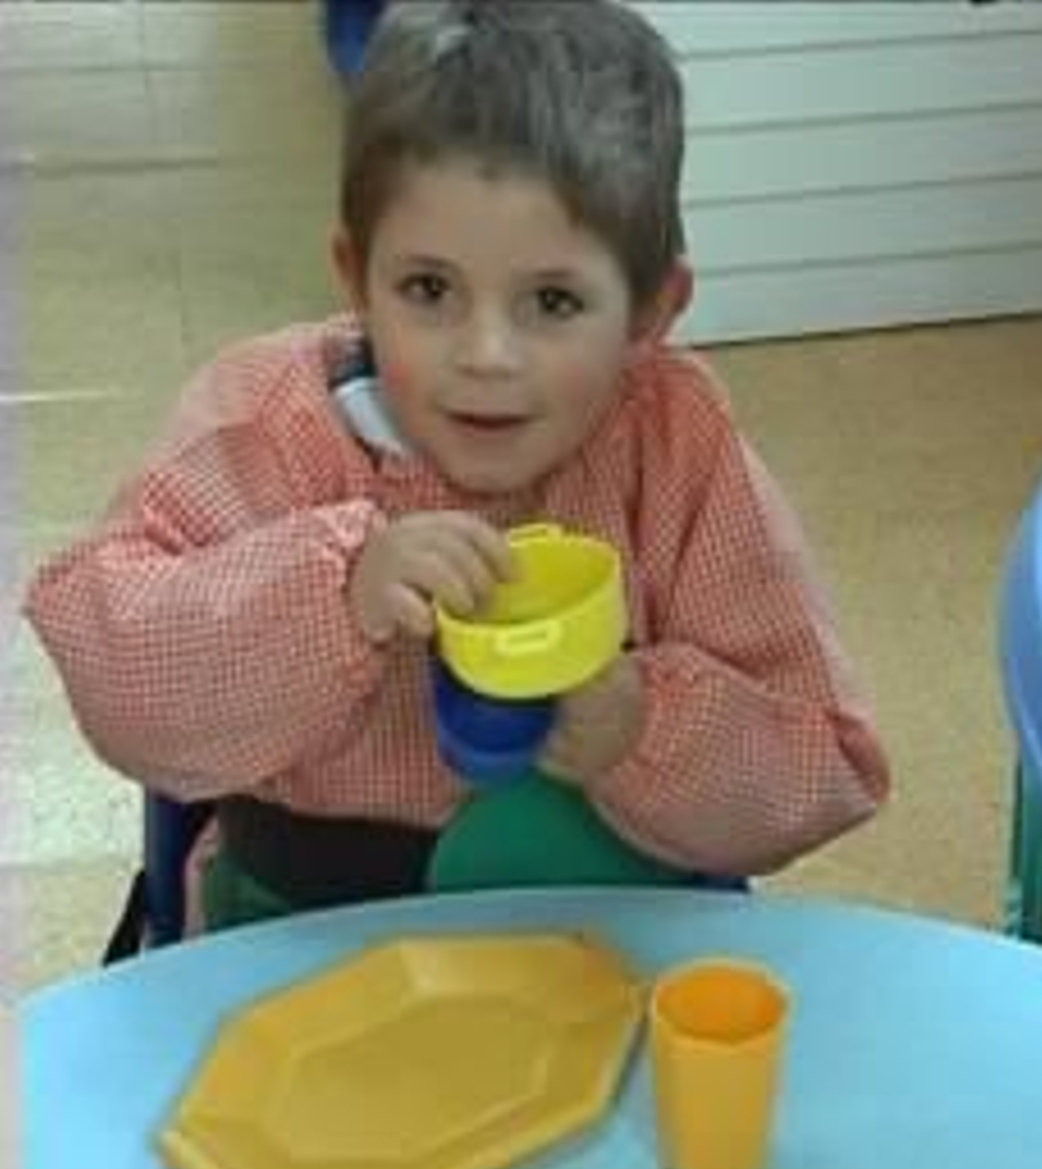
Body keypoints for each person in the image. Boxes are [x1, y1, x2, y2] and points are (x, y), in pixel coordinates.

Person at [24, 0, 890, 937]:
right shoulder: (272, 423)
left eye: (552, 301)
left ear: (650, 310)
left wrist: (646, 726)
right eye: (429, 290)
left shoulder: (676, 446)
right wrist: (336, 593)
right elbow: (111, 670)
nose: (485, 354)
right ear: (356, 277)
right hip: (310, 937)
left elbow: (828, 767)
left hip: (603, 942)